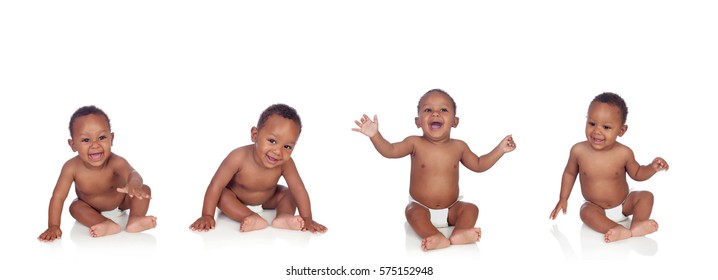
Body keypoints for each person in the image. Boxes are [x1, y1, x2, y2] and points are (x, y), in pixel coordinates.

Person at [353, 89, 516, 251]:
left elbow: (479, 165)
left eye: (443, 110)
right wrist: (375, 135)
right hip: (421, 207)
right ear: (417, 121)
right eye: (428, 110)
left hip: (452, 208)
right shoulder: (414, 143)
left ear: (455, 121)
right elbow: (390, 151)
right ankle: (435, 236)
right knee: (412, 212)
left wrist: (500, 149)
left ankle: (460, 233)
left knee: (471, 208)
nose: (435, 114)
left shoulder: (459, 146)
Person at [549, 92, 668, 243]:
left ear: (621, 130)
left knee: (646, 196)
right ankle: (619, 229)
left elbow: (637, 173)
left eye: (606, 127)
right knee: (585, 212)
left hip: (624, 204)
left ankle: (637, 224)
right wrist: (563, 198)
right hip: (596, 208)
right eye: (592, 123)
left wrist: (652, 168)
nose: (597, 131)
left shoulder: (624, 153)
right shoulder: (578, 151)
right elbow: (570, 173)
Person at [189, 104, 327, 233]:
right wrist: (207, 215)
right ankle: (249, 216)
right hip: (237, 200)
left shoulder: (287, 163)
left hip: (267, 199)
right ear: (255, 135)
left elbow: (299, 189)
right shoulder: (238, 157)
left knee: (289, 193)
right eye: (272, 141)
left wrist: (307, 218)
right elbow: (216, 185)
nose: (278, 151)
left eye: (287, 147)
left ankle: (284, 216)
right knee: (222, 195)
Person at [38, 106, 157, 242]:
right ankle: (105, 223)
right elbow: (58, 197)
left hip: (121, 202)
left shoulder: (116, 161)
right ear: (73, 145)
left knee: (144, 189)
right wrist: (53, 225)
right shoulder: (71, 167)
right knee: (75, 207)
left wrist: (133, 185)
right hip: (91, 208)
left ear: (111, 138)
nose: (95, 145)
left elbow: (133, 173)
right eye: (86, 140)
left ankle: (135, 219)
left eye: (101, 137)